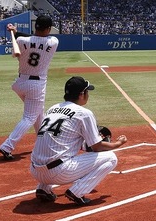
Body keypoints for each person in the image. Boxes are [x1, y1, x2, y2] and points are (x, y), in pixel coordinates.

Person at [30, 76, 128, 205]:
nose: (88, 95)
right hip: (58, 173)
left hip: (35, 170)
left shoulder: (53, 108)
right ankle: (77, 192)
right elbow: (97, 147)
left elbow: (65, 139)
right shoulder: (84, 113)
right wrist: (117, 143)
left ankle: (43, 188)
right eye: (87, 92)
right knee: (111, 158)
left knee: (54, 150)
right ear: (82, 94)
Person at [0, 15, 59, 160]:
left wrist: (14, 31)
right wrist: (16, 32)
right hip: (36, 85)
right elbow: (36, 39)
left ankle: (43, 142)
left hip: (20, 82)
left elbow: (24, 43)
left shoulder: (20, 40)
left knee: (38, 113)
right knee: (29, 117)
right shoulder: (53, 42)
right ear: (49, 29)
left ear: (35, 26)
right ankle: (7, 145)